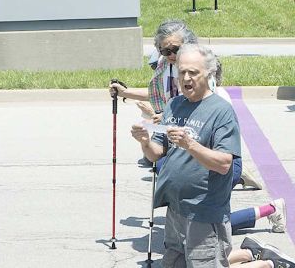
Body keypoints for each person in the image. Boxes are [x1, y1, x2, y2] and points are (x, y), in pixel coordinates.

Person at [112, 20, 287, 234]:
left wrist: (163, 119)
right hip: (183, 152)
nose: (169, 55)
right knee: (195, 224)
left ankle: (261, 240)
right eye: (164, 50)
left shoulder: (208, 88)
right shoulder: (165, 69)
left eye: (174, 50)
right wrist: (126, 95)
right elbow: (165, 97)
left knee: (206, 224)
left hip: (207, 157)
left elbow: (194, 109)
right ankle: (264, 217)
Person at [131, 44, 241, 266]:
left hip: (204, 213)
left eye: (193, 72)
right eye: (182, 72)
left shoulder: (221, 111)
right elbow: (156, 154)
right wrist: (144, 142)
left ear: (208, 74)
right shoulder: (174, 105)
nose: (186, 78)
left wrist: (190, 144)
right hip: (175, 211)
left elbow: (224, 164)